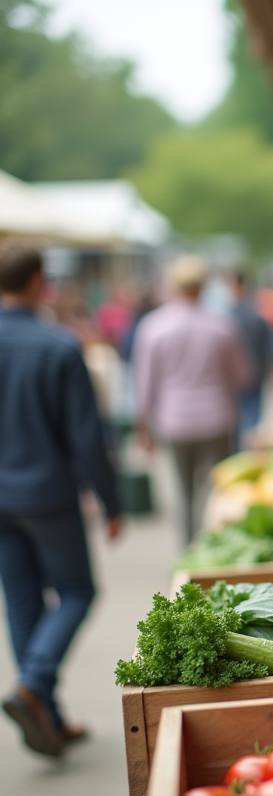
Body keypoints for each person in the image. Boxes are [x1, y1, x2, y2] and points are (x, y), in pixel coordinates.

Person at [0, 238, 122, 756]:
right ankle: (35, 686)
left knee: (23, 601)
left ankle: (43, 710)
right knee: (76, 591)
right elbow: (87, 437)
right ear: (38, 282)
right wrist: (112, 502)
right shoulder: (60, 345)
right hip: (47, 493)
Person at [133, 256, 251, 546]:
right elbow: (243, 376)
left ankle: (189, 553)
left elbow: (144, 384)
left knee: (184, 494)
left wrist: (143, 427)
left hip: (175, 421)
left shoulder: (153, 326)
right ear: (203, 287)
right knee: (219, 491)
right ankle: (219, 548)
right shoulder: (222, 325)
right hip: (218, 418)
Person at [228, 272, 272, 450]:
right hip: (255, 372)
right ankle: (249, 449)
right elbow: (266, 350)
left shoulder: (226, 317)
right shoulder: (255, 316)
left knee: (239, 417)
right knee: (252, 417)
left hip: (237, 377)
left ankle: (242, 449)